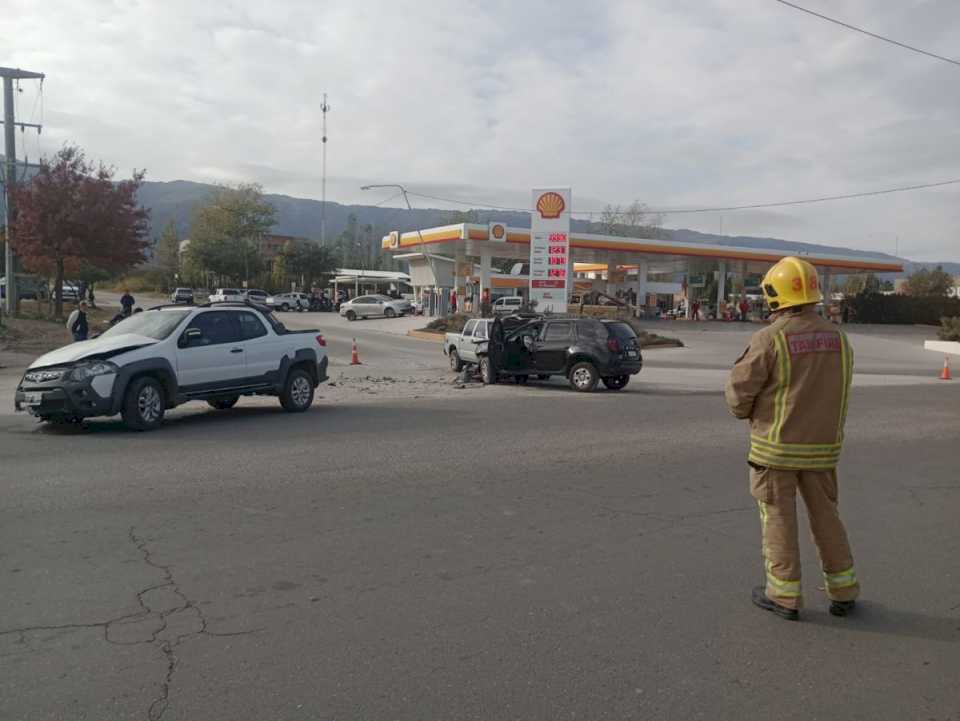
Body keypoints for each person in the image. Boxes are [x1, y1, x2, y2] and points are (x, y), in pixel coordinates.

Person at [725, 256, 859, 622]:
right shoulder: (839, 339)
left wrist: (745, 414)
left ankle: (784, 595)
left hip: (776, 451)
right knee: (827, 518)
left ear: (774, 295)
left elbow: (739, 393)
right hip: (823, 450)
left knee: (778, 519)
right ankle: (843, 590)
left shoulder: (770, 338)